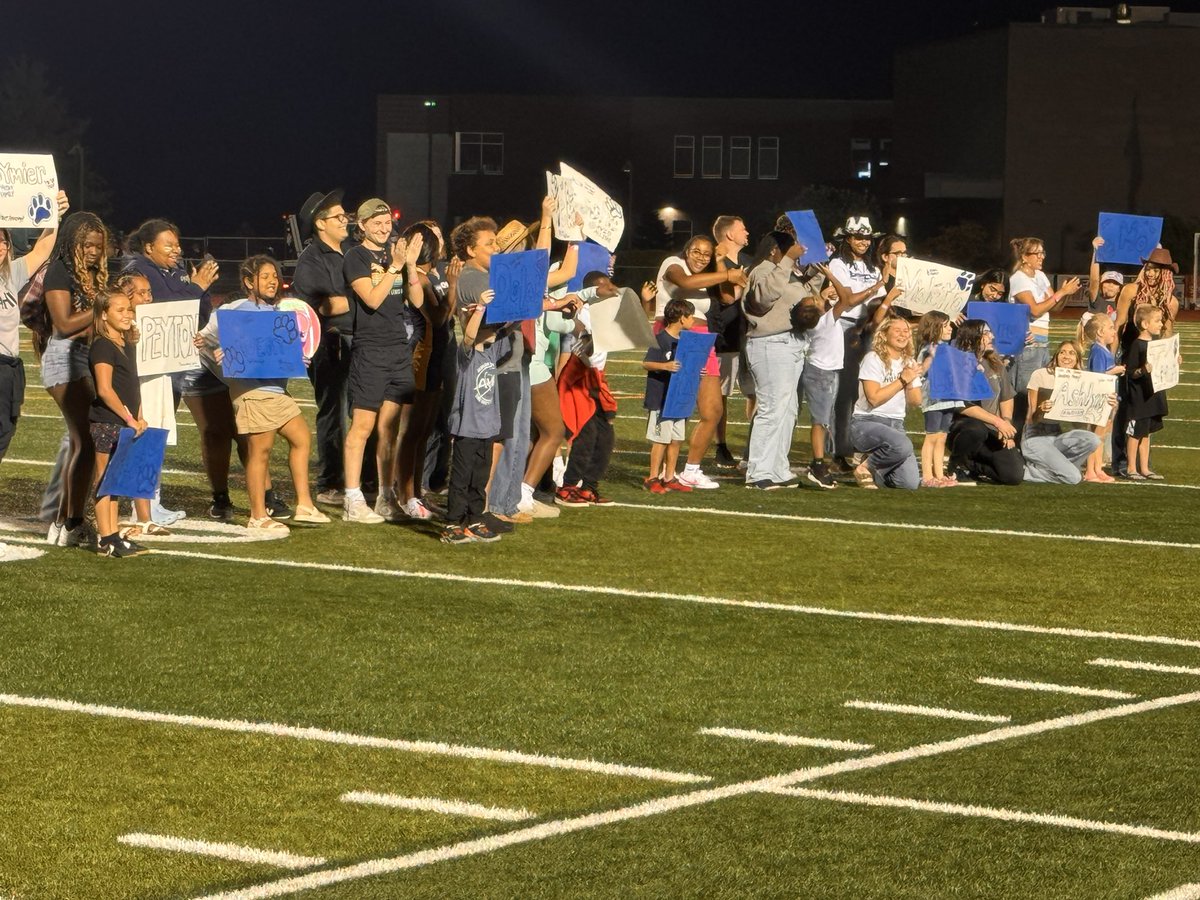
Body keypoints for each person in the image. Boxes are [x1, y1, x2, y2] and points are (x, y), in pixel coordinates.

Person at [193, 256, 331, 531]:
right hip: (252, 391)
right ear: (248, 282)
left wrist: (298, 357)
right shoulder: (234, 310)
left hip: (277, 390)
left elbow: (281, 348)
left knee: (302, 438)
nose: (272, 281)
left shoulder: (281, 311)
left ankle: (304, 504)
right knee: (260, 451)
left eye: (274, 275)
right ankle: (258, 515)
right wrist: (218, 351)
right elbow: (202, 338)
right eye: (265, 276)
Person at [125, 218, 249, 522]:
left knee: (159, 432)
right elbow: (162, 307)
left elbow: (200, 308)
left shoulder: (177, 272)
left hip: (173, 361)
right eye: (168, 244)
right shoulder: (137, 271)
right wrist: (196, 288)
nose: (176, 249)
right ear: (149, 247)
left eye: (177, 243)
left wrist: (196, 294)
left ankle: (150, 498)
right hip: (148, 363)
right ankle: (140, 502)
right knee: (145, 430)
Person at [341, 198, 423, 524]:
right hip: (370, 350)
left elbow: (415, 301)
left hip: (397, 350)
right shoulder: (355, 257)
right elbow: (373, 299)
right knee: (362, 428)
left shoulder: (396, 256)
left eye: (387, 222)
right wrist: (394, 266)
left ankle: (385, 497)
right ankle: (352, 499)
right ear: (361, 225)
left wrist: (411, 265)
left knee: (389, 431)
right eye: (376, 222)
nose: (383, 227)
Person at [654, 236, 747, 489]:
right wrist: (727, 274)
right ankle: (661, 472)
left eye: (706, 254)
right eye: (696, 251)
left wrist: (718, 264)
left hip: (703, 343)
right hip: (678, 341)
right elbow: (685, 282)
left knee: (713, 410)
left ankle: (691, 470)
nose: (701, 257)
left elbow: (728, 299)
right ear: (685, 251)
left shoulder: (710, 274)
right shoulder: (673, 264)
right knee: (675, 409)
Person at [43, 212, 109, 549]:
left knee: (83, 441)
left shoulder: (96, 274)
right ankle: (70, 522)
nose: (94, 251)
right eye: (87, 245)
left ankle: (64, 521)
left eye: (99, 245)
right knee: (84, 439)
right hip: (63, 358)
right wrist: (102, 305)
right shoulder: (60, 270)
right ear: (72, 243)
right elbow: (64, 324)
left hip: (89, 357)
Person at [292, 189, 357, 505]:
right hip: (330, 345)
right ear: (320, 223)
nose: (346, 220)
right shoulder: (311, 259)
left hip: (353, 341)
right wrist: (361, 296)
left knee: (357, 411)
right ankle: (329, 483)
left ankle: (354, 478)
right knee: (334, 413)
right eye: (339, 216)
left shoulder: (348, 252)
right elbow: (324, 307)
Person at [0, 190, 68, 464]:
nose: (1, 246)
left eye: (3, 241)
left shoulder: (10, 275)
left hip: (10, 368)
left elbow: (41, 250)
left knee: (7, 430)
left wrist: (55, 215)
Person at [441, 284, 509, 544]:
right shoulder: (466, 355)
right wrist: (479, 307)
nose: (494, 331)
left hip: (487, 428)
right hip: (467, 428)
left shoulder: (493, 351)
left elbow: (511, 325)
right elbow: (469, 336)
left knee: (479, 478)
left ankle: (474, 518)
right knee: (461, 477)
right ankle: (453, 522)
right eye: (489, 327)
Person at [741, 231, 808, 490]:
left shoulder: (789, 272)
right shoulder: (763, 270)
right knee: (771, 408)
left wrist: (818, 269)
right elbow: (763, 298)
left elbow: (806, 300)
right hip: (770, 342)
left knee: (788, 410)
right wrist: (788, 261)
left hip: (792, 343)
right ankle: (757, 472)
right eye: (790, 248)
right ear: (774, 250)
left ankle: (778, 468)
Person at [396, 221, 453, 519]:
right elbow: (438, 316)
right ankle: (405, 494)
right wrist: (454, 288)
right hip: (422, 357)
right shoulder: (418, 277)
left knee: (425, 431)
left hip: (437, 357)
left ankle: (416, 492)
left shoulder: (430, 275)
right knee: (412, 432)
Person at [87, 290, 149, 558]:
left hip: (125, 422)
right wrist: (128, 418)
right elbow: (104, 389)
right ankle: (106, 538)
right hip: (107, 422)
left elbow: (132, 386)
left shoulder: (126, 344)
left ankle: (113, 534)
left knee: (117, 481)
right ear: (104, 314)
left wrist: (140, 415)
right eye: (120, 310)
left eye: (129, 309)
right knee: (105, 480)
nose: (127, 315)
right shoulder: (102, 345)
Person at [1112, 247, 1179, 476]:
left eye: (1156, 270)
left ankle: (1142, 465)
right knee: (1125, 413)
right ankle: (1121, 463)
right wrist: (1110, 356)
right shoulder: (1131, 290)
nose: (1150, 274)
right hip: (1131, 355)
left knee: (1146, 417)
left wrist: (1173, 357)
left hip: (1154, 366)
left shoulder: (1171, 302)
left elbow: (1168, 334)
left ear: (1166, 274)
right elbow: (1119, 324)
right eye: (1148, 268)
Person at [1006, 237, 1080, 440]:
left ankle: (1035, 441)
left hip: (1042, 344)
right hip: (1028, 345)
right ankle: (1018, 445)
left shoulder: (1040, 276)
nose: (1041, 257)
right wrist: (1061, 292)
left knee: (1041, 394)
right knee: (1023, 398)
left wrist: (1066, 294)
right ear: (1024, 257)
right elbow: (1036, 309)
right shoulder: (1018, 278)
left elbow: (1054, 307)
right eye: (1036, 253)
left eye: (1043, 252)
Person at [827, 217, 885, 472]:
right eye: (858, 237)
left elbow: (878, 304)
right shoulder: (838, 263)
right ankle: (837, 449)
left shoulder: (874, 267)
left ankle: (857, 445)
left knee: (866, 391)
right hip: (844, 327)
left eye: (867, 238)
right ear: (847, 238)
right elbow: (848, 300)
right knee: (843, 391)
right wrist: (879, 286)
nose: (863, 242)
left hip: (869, 329)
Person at [946, 320, 1024, 485]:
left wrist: (1007, 423)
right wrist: (998, 422)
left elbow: (1006, 396)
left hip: (992, 429)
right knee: (975, 429)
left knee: (1013, 476)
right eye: (986, 333)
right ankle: (956, 463)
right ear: (970, 337)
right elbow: (962, 405)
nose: (992, 336)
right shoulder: (957, 363)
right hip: (963, 428)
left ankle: (972, 466)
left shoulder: (994, 363)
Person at [849, 314, 922, 490]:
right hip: (867, 422)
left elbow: (915, 401)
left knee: (909, 484)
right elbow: (873, 399)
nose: (903, 335)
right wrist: (902, 380)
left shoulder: (909, 362)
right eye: (897, 330)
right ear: (884, 334)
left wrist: (911, 379)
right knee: (902, 444)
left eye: (906, 331)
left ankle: (874, 466)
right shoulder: (873, 359)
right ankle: (864, 467)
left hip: (896, 424)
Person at [1021, 340, 1103, 484]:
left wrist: (1106, 406)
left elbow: (1079, 425)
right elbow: (1030, 417)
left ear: (1077, 359)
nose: (1066, 356)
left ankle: (1048, 468)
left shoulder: (1081, 381)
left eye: (1071, 353)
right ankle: (1027, 472)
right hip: (1035, 437)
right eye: (1062, 352)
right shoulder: (1041, 375)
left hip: (1057, 437)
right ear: (1056, 356)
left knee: (1092, 439)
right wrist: (1041, 410)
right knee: (1074, 477)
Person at [709, 215, 752, 469]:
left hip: (750, 336)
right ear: (728, 234)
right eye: (742, 228)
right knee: (721, 395)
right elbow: (725, 298)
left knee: (754, 392)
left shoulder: (748, 261)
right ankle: (720, 445)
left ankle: (753, 444)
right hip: (724, 335)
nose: (747, 231)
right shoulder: (715, 261)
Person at [641, 298, 693, 494]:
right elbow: (646, 363)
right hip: (661, 399)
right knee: (661, 439)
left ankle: (669, 477)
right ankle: (652, 477)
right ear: (681, 318)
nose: (693, 321)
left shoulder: (686, 341)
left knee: (676, 439)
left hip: (679, 398)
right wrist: (665, 366)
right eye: (690, 316)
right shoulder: (660, 340)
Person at [914, 311, 962, 487]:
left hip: (950, 397)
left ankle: (939, 473)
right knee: (932, 436)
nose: (950, 329)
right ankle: (927, 475)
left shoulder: (949, 348)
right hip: (934, 398)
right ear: (935, 327)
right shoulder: (928, 348)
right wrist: (931, 357)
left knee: (942, 436)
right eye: (946, 325)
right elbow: (920, 371)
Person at [1123, 305, 1169, 481]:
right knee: (1135, 433)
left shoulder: (1157, 344)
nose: (1161, 324)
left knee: (1146, 433)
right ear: (1144, 324)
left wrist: (1174, 361)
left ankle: (1144, 467)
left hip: (1153, 396)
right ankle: (1131, 468)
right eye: (1157, 320)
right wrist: (1143, 370)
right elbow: (1131, 372)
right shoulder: (1137, 344)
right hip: (1139, 398)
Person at [1082, 315, 1124, 483]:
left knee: (1102, 436)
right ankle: (1090, 470)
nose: (1114, 332)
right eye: (1111, 328)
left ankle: (1097, 468)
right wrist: (1115, 370)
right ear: (1100, 332)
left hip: (1109, 398)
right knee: (1096, 436)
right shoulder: (1097, 350)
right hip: (1101, 399)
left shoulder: (1103, 350)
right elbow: (1097, 376)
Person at [1085, 236, 1122, 326]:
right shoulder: (1096, 300)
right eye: (1108, 282)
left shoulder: (1122, 304)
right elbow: (1094, 280)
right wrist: (1096, 251)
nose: (1111, 285)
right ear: (1101, 285)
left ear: (1120, 289)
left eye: (1115, 283)